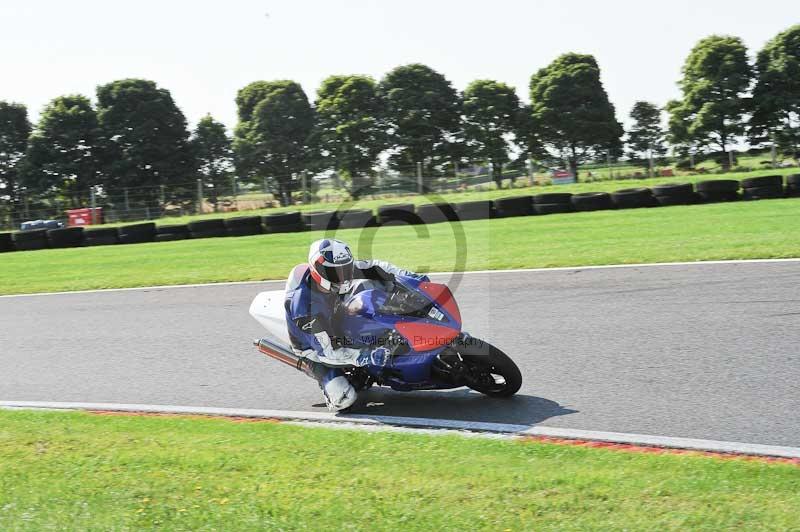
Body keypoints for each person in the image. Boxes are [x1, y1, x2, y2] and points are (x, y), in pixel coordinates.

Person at [284, 238, 429, 411]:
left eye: (345, 269)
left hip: (336, 313)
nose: (343, 277)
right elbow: (329, 351)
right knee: (344, 399)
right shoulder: (304, 307)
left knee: (373, 290)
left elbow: (377, 267)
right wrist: (366, 356)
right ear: (318, 270)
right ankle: (329, 383)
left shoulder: (342, 273)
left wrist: (414, 280)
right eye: (335, 273)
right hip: (316, 348)